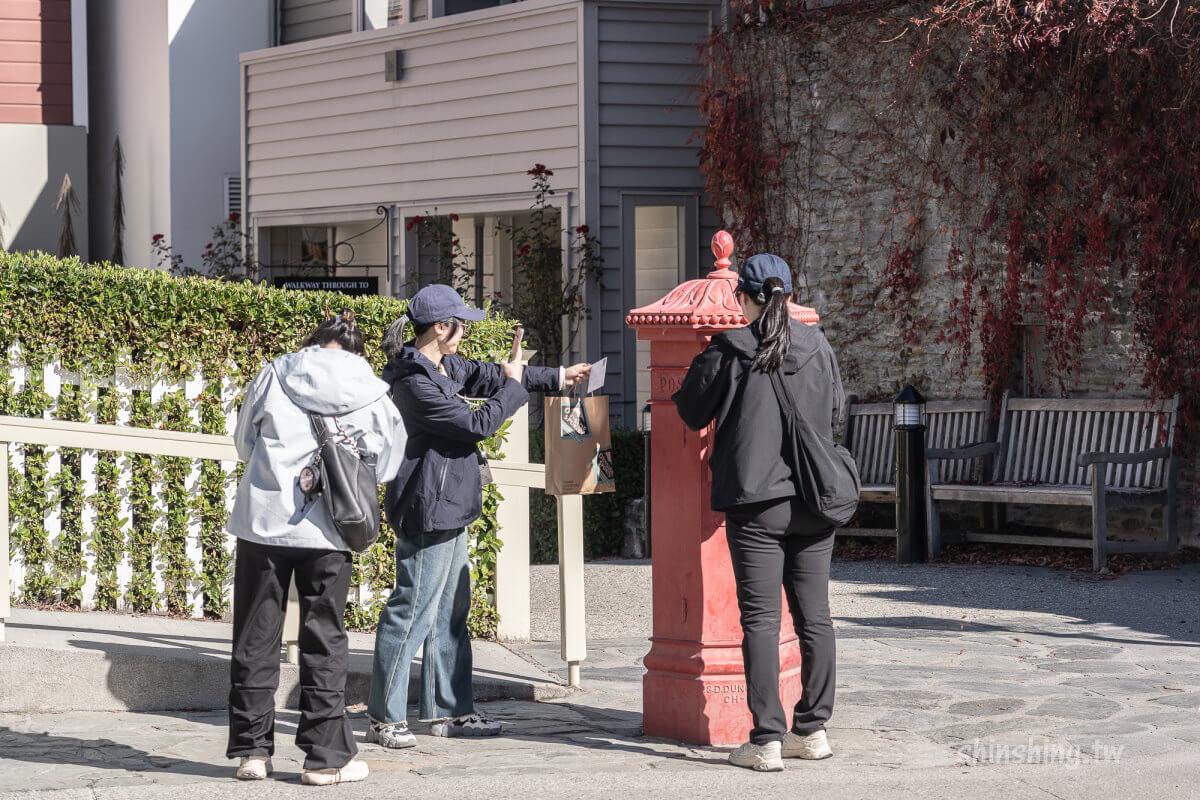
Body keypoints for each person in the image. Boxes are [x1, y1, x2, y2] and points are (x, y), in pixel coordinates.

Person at [367, 284, 590, 747]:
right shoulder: (412, 381)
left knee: (450, 612)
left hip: (450, 503)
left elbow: (491, 376)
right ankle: (384, 717)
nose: (465, 331)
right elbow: (476, 423)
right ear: (441, 328)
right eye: (460, 323)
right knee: (411, 611)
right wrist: (514, 386)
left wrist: (558, 376)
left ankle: (451, 712)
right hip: (427, 507)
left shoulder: (442, 364)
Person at [671, 254, 845, 773]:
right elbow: (836, 412)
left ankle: (767, 738)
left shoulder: (730, 348)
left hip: (757, 501)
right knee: (816, 616)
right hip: (814, 497)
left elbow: (689, 409)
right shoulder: (819, 345)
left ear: (740, 297)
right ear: (789, 295)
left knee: (762, 620)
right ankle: (812, 730)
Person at [226, 312, 407, 786]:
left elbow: (245, 443)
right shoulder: (372, 390)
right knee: (324, 638)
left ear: (313, 343)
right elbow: (387, 463)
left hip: (264, 524)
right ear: (356, 350)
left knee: (254, 634)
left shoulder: (275, 373)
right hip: (330, 530)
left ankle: (252, 752)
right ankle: (325, 760)